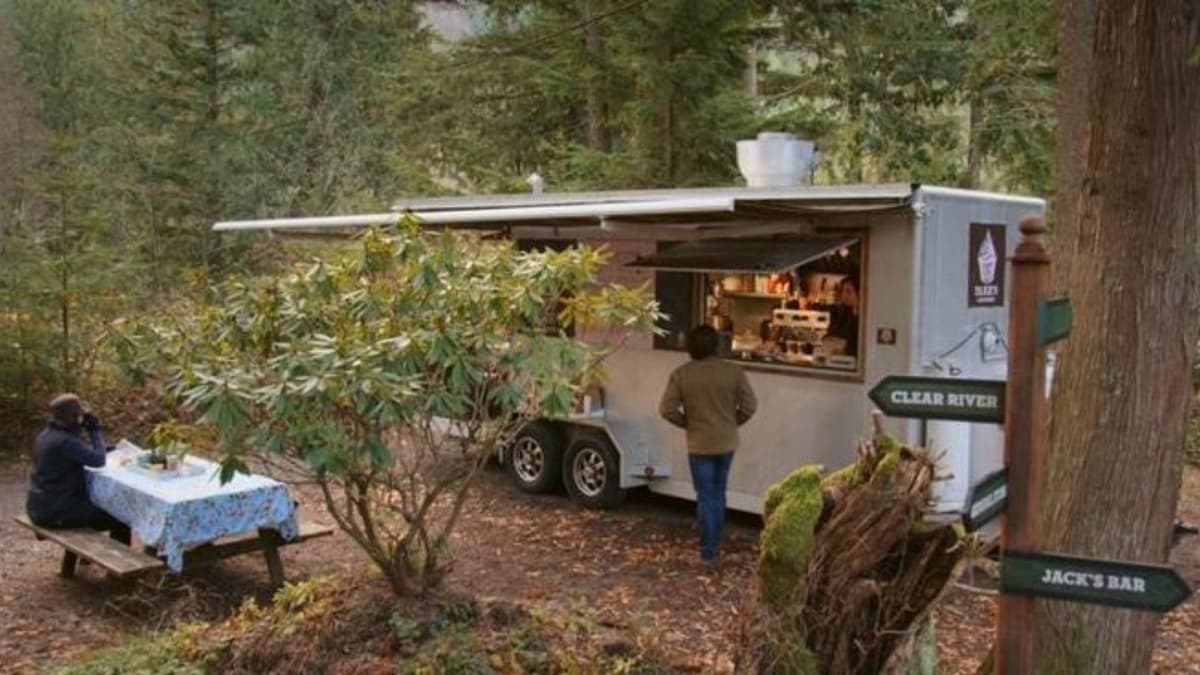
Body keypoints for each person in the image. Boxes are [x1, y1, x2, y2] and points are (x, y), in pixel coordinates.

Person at [659, 325, 757, 567]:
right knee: (719, 493)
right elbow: (750, 406)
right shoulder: (733, 371)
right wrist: (732, 423)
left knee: (704, 496)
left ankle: (708, 551)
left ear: (690, 348)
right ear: (717, 345)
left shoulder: (682, 374)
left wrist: (687, 424)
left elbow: (666, 409)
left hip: (699, 443)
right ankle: (717, 542)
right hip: (726, 442)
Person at [26, 394, 130, 545]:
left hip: (38, 507)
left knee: (97, 509)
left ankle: (84, 561)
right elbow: (98, 460)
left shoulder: (46, 435)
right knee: (120, 516)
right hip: (56, 513)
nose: (81, 420)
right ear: (73, 417)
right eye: (79, 416)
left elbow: (82, 452)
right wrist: (95, 430)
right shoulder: (65, 441)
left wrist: (104, 446)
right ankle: (125, 565)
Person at [827, 276, 861, 357]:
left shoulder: (866, 316)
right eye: (842, 291)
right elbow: (831, 333)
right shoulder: (844, 312)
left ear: (859, 293)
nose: (844, 295)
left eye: (848, 291)